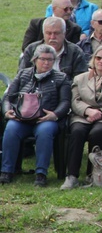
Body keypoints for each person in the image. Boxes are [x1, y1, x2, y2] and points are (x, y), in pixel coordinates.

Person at [60, 46, 102, 190]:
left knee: (97, 133)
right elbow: (74, 101)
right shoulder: (80, 79)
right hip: (83, 116)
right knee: (77, 132)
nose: (101, 62)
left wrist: (101, 113)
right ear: (93, 59)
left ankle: (94, 175)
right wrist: (88, 111)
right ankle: (72, 176)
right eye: (98, 58)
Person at [1, 44, 70, 187]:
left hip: (46, 119)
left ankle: (41, 173)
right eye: (43, 59)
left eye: (50, 60)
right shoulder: (23, 74)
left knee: (45, 132)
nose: (46, 63)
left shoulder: (61, 78)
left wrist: (55, 115)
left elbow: (65, 102)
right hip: (22, 119)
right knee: (11, 129)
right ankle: (7, 171)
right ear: (34, 60)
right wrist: (7, 111)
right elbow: (9, 96)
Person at [21, 17, 88, 81]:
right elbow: (22, 77)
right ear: (43, 34)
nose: (52, 37)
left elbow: (80, 81)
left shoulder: (75, 52)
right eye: (49, 33)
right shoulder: (31, 50)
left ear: (64, 33)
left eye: (56, 33)